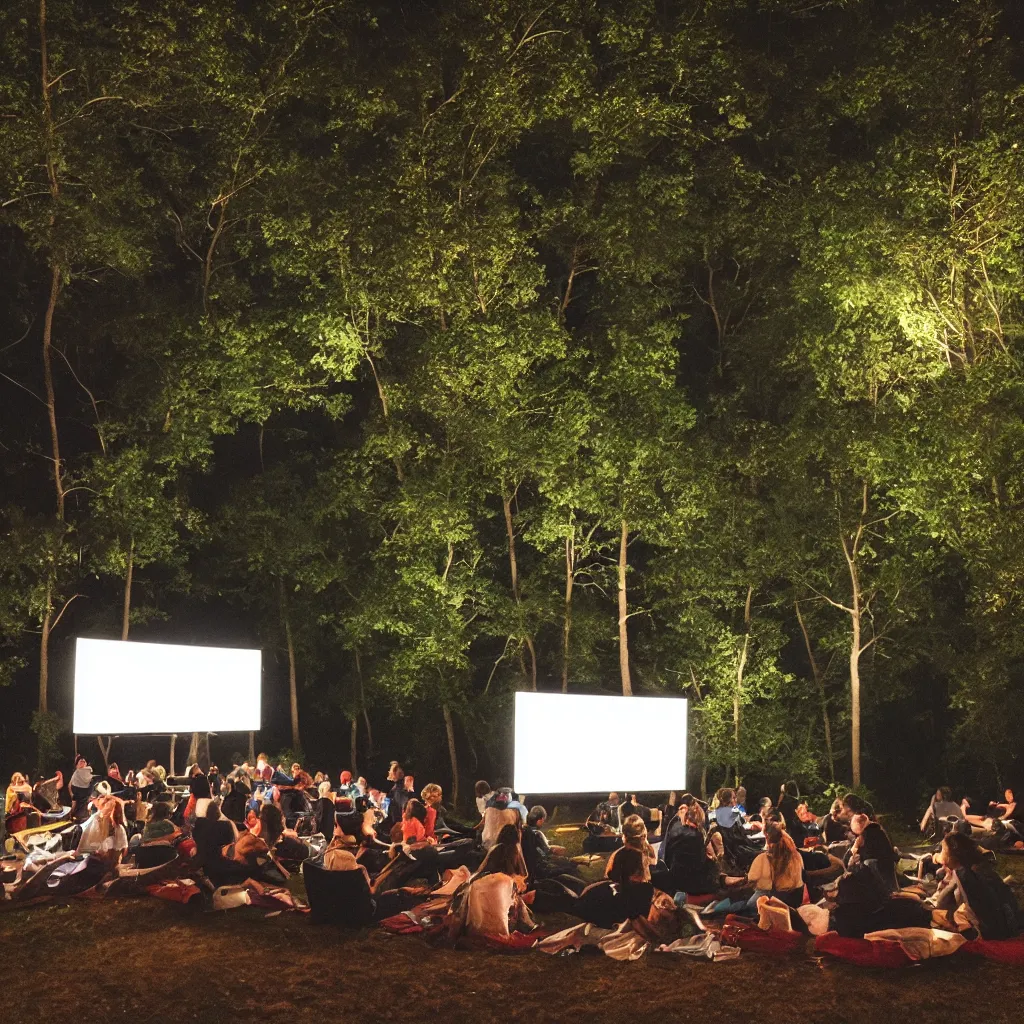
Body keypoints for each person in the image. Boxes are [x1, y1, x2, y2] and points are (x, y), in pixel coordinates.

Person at [937, 831, 1022, 939]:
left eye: (943, 850)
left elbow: (940, 903)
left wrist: (946, 878)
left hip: (990, 933)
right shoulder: (982, 867)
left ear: (951, 855)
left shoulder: (963, 873)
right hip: (1011, 925)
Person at [653, 796, 720, 896]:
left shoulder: (676, 828)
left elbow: (668, 858)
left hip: (675, 879)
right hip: (690, 885)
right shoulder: (695, 835)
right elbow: (699, 864)